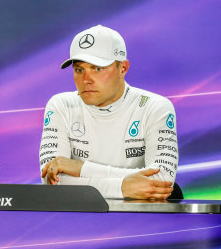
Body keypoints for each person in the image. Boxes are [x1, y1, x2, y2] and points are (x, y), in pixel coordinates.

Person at [39, 25, 178, 199]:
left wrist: (79, 168)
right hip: (77, 220)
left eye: (98, 68)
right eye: (79, 70)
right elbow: (52, 182)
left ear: (123, 68)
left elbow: (162, 181)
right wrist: (121, 188)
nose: (86, 80)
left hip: (141, 222)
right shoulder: (61, 105)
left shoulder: (155, 107)